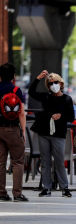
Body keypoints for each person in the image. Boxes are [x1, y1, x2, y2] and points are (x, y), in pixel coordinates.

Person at [28, 70, 74, 197]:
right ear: (48, 86)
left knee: (59, 161)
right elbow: (31, 92)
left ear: (61, 83)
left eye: (56, 82)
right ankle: (47, 188)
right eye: (51, 83)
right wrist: (38, 78)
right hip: (44, 132)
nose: (54, 85)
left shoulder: (67, 99)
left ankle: (64, 188)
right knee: (45, 161)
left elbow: (71, 116)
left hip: (58, 134)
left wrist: (61, 115)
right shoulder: (46, 97)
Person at [0, 62, 28, 202]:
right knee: (17, 161)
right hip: (12, 128)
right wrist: (23, 131)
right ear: (14, 76)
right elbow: (21, 113)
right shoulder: (16, 90)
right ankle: (17, 193)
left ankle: (1, 192)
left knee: (0, 162)